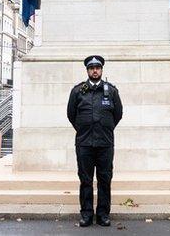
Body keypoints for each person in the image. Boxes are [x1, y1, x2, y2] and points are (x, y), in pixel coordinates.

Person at [67, 55, 122, 228]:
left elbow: (118, 114)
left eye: (97, 67)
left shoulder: (111, 91)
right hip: (84, 144)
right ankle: (86, 214)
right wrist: (83, 129)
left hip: (105, 143)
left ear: (101, 70)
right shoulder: (78, 91)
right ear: (87, 71)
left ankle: (103, 214)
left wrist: (106, 128)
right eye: (91, 68)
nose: (95, 70)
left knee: (105, 179)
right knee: (85, 180)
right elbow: (71, 114)